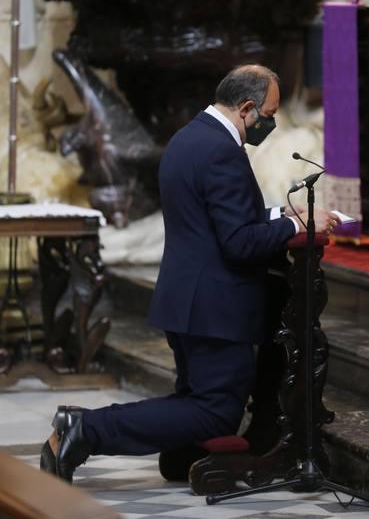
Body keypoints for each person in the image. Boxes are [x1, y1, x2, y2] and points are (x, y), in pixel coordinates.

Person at [40, 64, 339, 482]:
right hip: (215, 307)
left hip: (189, 300)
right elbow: (237, 240)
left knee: (196, 401)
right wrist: (296, 226)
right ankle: (86, 428)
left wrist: (278, 214)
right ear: (246, 107)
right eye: (268, 114)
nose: (269, 123)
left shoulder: (191, 137)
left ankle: (168, 453)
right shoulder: (220, 149)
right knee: (214, 413)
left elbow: (220, 215)